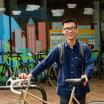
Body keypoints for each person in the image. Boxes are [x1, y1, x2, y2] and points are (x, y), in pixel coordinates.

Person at [19, 18, 94, 104]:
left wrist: (86, 75)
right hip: (64, 90)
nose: (70, 31)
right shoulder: (58, 49)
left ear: (77, 30)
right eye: (67, 28)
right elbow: (45, 63)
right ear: (63, 31)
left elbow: (90, 64)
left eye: (72, 28)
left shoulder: (84, 48)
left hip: (80, 89)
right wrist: (30, 75)